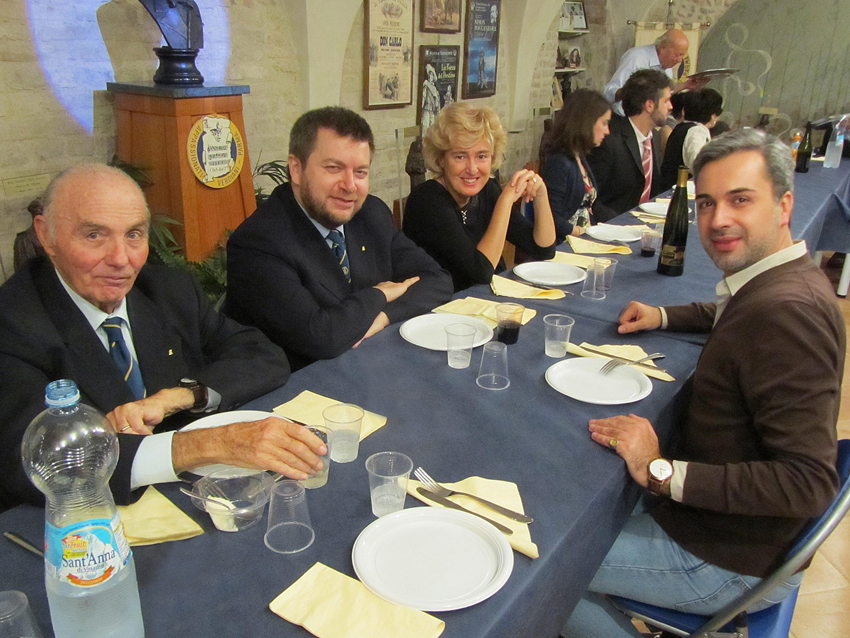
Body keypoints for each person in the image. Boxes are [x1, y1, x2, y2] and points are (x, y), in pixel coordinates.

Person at [562, 129, 845, 637]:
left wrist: (659, 470)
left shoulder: (787, 318)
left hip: (726, 555)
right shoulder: (780, 280)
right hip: (733, 531)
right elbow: (734, 309)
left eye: (741, 200)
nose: (717, 220)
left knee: (548, 574)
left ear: (784, 205)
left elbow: (807, 483)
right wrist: (665, 316)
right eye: (708, 203)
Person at [0, 164, 327, 510]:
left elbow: (263, 355)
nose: (121, 259)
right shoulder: (13, 322)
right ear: (46, 235)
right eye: (94, 235)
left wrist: (181, 396)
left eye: (133, 234)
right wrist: (205, 445)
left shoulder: (168, 290)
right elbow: (29, 462)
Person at [225, 107, 453, 370]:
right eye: (334, 168)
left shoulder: (371, 214)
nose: (350, 185)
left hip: (371, 366)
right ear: (296, 169)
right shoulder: (259, 243)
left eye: (360, 172)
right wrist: (379, 294)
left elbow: (438, 281)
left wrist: (383, 316)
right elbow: (322, 337)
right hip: (301, 385)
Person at [402, 102, 557, 292]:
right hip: (444, 306)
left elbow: (543, 250)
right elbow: (480, 272)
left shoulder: (487, 190)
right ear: (441, 159)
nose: (472, 169)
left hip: (485, 301)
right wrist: (506, 201)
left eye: (481, 156)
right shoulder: (427, 201)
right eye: (460, 156)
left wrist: (541, 195)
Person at [587, 69, 673, 221]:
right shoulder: (609, 141)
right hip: (612, 225)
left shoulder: (654, 138)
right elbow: (591, 198)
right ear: (649, 105)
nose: (671, 106)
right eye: (666, 101)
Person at [539, 90, 611, 240]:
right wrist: (580, 232)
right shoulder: (559, 163)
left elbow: (592, 205)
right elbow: (551, 217)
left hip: (585, 236)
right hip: (568, 242)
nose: (607, 131)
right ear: (586, 122)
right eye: (604, 123)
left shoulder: (579, 156)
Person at [603, 29, 706, 116]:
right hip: (624, 119)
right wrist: (634, 91)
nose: (679, 60)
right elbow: (609, 92)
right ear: (663, 47)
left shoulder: (667, 66)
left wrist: (686, 85)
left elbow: (661, 94)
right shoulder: (636, 57)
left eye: (682, 56)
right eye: (677, 55)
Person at [659, 88, 724, 191]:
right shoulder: (696, 131)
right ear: (713, 115)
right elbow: (697, 165)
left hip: (668, 186)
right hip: (677, 188)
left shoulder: (681, 127)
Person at [421, 64, 440, 133]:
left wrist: (437, 107)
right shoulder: (426, 85)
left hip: (433, 110)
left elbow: (437, 100)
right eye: (429, 75)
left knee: (432, 128)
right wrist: (421, 106)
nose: (430, 76)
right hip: (426, 109)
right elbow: (423, 96)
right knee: (425, 126)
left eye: (432, 75)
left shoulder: (434, 88)